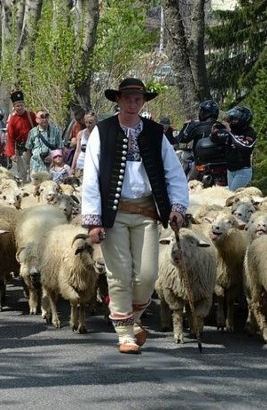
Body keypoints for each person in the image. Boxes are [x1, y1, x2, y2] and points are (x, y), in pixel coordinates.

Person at [81, 77, 188, 355]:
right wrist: (93, 220)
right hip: (113, 214)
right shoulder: (102, 131)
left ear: (143, 102)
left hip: (146, 212)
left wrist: (177, 207)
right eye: (127, 98)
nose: (132, 103)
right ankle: (125, 333)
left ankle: (133, 319)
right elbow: (91, 177)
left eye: (137, 99)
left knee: (147, 276)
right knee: (119, 275)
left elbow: (174, 172)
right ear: (118, 101)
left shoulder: (154, 132)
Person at [211, 105, 256, 191]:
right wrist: (214, 134)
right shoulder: (231, 130)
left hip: (243, 171)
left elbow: (245, 146)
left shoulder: (249, 132)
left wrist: (230, 132)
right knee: (233, 198)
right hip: (230, 170)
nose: (231, 122)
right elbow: (218, 140)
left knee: (231, 194)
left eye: (234, 119)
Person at [177, 99, 225, 180]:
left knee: (188, 184)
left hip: (201, 164)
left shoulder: (196, 126)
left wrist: (186, 125)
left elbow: (182, 138)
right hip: (222, 164)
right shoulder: (222, 126)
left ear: (203, 112)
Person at [5, 90, 35, 182]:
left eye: (21, 105)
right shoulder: (13, 120)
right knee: (23, 173)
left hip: (33, 149)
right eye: (17, 106)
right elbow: (10, 137)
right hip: (21, 149)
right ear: (14, 107)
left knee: (33, 172)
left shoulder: (31, 115)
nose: (20, 107)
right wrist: (11, 153)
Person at [27, 109, 62, 174]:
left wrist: (52, 156)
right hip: (36, 166)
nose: (45, 119)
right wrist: (28, 166)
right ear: (37, 120)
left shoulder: (56, 131)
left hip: (51, 167)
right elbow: (28, 149)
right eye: (42, 117)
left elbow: (60, 147)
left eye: (46, 116)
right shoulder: (32, 132)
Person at [71, 112, 97, 178]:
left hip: (93, 167)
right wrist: (72, 167)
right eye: (86, 122)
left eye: (90, 122)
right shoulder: (81, 134)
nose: (88, 125)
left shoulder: (100, 134)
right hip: (81, 165)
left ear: (96, 122)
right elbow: (77, 151)